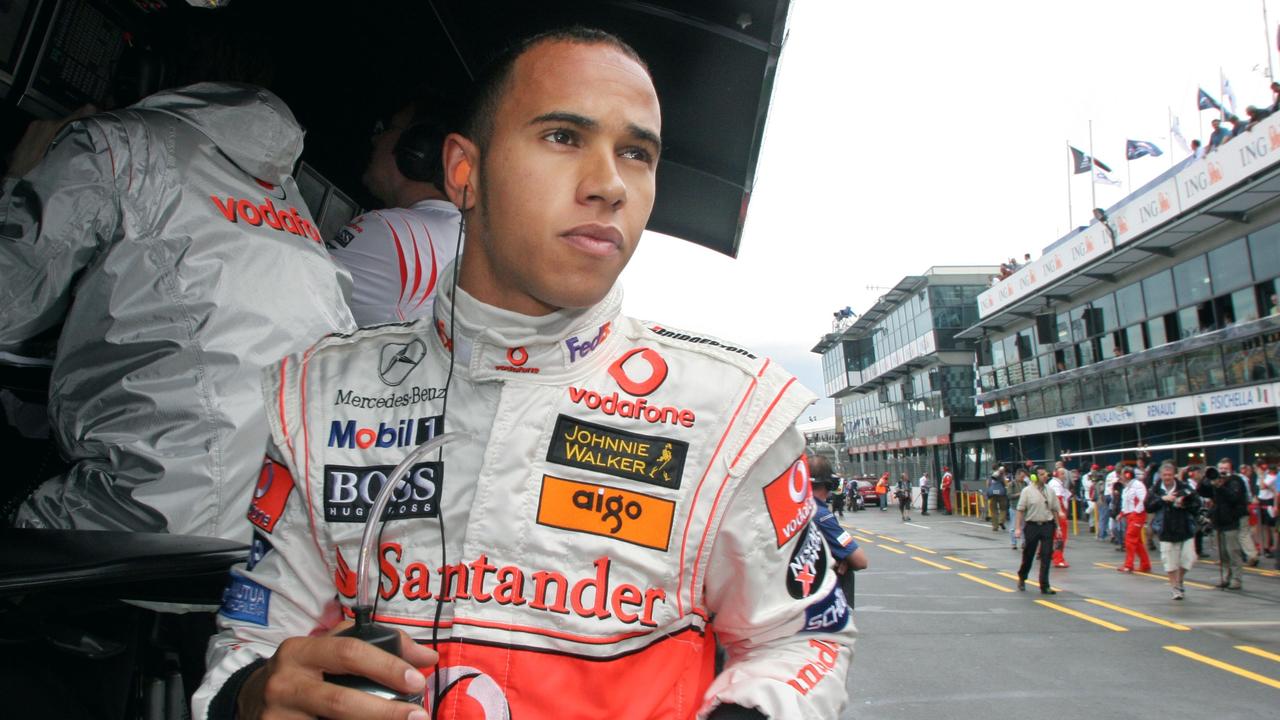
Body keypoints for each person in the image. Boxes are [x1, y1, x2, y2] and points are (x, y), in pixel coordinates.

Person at [193, 28, 855, 720]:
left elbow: (803, 639)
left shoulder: (731, 413)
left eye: (637, 153)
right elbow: (251, 640)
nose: (609, 186)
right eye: (564, 137)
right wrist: (250, 695)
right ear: (463, 173)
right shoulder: (320, 397)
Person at [0, 83, 356, 539]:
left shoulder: (115, 142)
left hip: (132, 519)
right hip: (277, 540)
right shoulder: (292, 204)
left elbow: (8, 308)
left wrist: (19, 176)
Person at [327, 96, 462, 326]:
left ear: (418, 148)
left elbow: (288, 299)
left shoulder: (389, 232)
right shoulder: (463, 239)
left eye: (388, 128)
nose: (376, 138)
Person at [809, 456, 867, 606]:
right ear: (830, 484)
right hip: (826, 603)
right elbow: (860, 560)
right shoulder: (822, 516)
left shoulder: (797, 510)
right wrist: (841, 559)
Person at [1146, 462, 1202, 600]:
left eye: (1170, 475)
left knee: (1189, 558)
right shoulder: (1155, 489)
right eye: (1165, 475)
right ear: (1160, 475)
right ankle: (1175, 587)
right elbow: (1148, 506)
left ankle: (1180, 578)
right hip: (1166, 530)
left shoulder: (1184, 487)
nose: (1167, 477)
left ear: (1175, 475)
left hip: (1185, 528)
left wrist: (1184, 502)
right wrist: (1162, 499)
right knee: (1170, 561)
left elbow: (1197, 503)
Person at [1198, 467, 1249, 590]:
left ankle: (1236, 579)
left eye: (1224, 469)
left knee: (1233, 551)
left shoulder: (1235, 481)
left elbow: (1234, 498)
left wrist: (1221, 487)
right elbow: (1202, 491)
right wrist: (1206, 478)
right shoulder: (1214, 484)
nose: (1221, 472)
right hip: (1218, 521)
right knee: (1222, 553)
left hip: (1231, 521)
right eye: (1220, 469)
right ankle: (1226, 577)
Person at [1014, 467, 1063, 594]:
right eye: (1041, 474)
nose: (1045, 476)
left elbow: (1054, 509)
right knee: (1028, 555)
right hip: (1032, 526)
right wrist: (1018, 528)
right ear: (1034, 477)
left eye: (1045, 474)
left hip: (1047, 525)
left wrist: (1058, 527)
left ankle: (1044, 585)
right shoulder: (1027, 491)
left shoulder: (1050, 491)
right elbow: (1020, 510)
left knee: (1046, 555)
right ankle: (1022, 577)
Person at [1117, 468, 1151, 573]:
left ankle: (1129, 565)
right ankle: (1145, 564)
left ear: (1127, 475)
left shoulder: (1137, 485)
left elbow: (1142, 500)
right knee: (1137, 542)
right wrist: (1122, 513)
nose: (1120, 477)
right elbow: (1127, 503)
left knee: (1130, 539)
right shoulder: (1127, 487)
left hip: (1137, 515)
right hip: (1131, 516)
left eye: (1122, 474)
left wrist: (1136, 513)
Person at [1047, 468, 1071, 568]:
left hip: (1054, 513)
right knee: (1060, 537)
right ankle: (1058, 559)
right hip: (1058, 514)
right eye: (1063, 474)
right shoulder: (1056, 484)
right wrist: (1061, 512)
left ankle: (1053, 555)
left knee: (1053, 536)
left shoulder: (1054, 483)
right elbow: (1058, 499)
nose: (1064, 476)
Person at [1005, 467, 1026, 550]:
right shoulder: (1011, 484)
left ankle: (1024, 542)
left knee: (1024, 526)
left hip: (1024, 508)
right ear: (1017, 475)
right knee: (1013, 526)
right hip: (1014, 507)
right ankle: (1013, 543)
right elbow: (1009, 496)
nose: (1023, 478)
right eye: (1021, 476)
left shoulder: (1025, 484)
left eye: (1024, 477)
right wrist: (1019, 494)